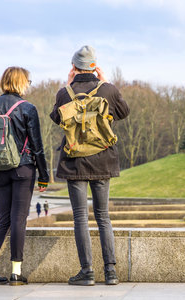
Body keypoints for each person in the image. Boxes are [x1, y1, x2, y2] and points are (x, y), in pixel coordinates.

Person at [50, 45, 129, 286]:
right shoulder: (108, 90)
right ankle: (111, 271)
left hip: (75, 161)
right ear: (95, 67)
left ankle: (87, 271)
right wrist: (106, 82)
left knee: (80, 218)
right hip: (102, 158)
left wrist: (67, 83)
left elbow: (56, 118)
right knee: (103, 216)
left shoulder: (65, 93)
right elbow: (124, 112)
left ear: (74, 67)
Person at [0, 66, 49, 286]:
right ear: (21, 82)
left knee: (3, 220)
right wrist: (44, 176)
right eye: (28, 81)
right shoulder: (28, 108)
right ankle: (16, 271)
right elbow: (37, 146)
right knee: (18, 219)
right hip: (23, 168)